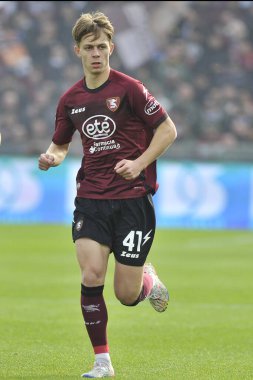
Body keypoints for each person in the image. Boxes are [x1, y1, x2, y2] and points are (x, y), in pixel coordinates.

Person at [38, 11, 177, 378]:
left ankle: (146, 279)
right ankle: (102, 362)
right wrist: (52, 157)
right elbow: (61, 144)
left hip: (133, 199)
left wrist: (139, 162)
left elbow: (167, 131)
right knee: (90, 275)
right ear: (78, 51)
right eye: (89, 47)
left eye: (101, 46)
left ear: (111, 48)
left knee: (126, 296)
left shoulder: (130, 87)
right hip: (91, 199)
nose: (96, 53)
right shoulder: (70, 99)